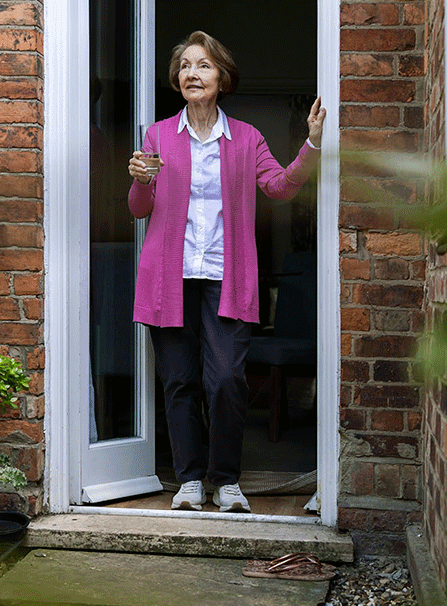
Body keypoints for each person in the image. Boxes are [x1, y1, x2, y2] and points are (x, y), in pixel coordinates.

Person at [127, 31, 326, 513]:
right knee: (179, 382)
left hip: (224, 276)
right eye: (186, 67)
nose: (192, 74)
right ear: (177, 80)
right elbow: (138, 209)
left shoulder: (246, 140)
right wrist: (138, 180)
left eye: (204, 66)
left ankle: (226, 479)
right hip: (168, 280)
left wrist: (313, 145)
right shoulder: (156, 136)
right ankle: (190, 480)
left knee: (227, 381)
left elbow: (279, 187)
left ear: (222, 78)